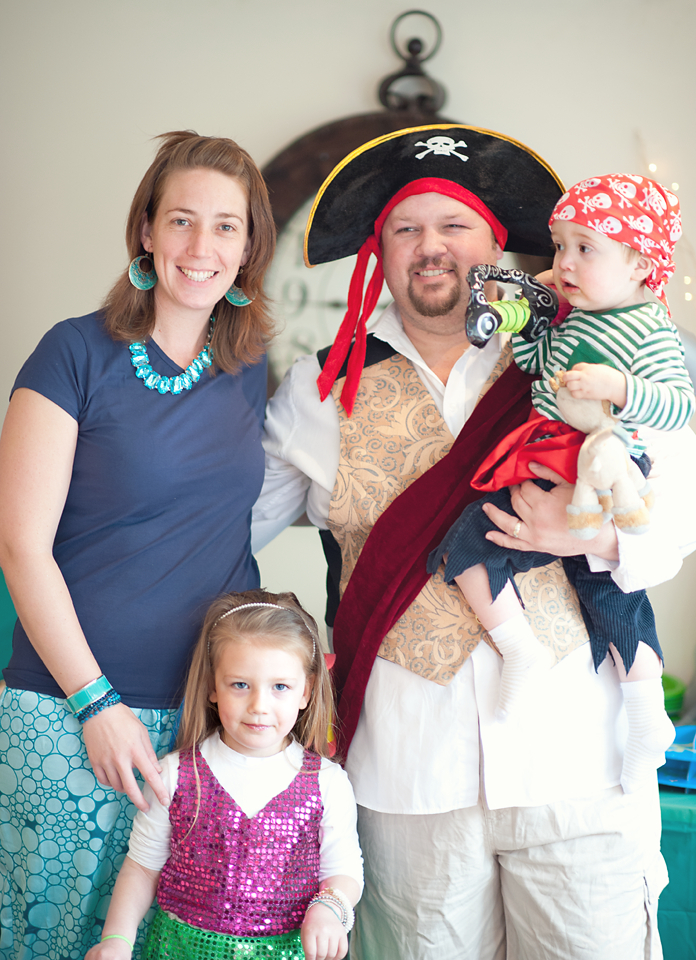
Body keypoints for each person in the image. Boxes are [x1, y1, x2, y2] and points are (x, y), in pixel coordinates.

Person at [253, 125, 696, 960]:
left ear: (497, 245)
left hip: (581, 766)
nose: (432, 247)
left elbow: (678, 518)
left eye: (454, 225)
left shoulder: (586, 349)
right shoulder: (318, 389)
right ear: (378, 251)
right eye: (406, 228)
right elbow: (221, 535)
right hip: (406, 780)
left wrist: (592, 532)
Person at [0, 131, 276, 960]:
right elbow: (20, 546)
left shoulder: (253, 368)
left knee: (170, 943)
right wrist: (96, 704)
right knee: (52, 939)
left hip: (207, 723)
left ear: (248, 248)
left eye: (226, 226)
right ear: (147, 230)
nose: (202, 246)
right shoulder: (73, 352)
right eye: (182, 220)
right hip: (67, 709)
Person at [427, 174, 692, 793]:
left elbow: (679, 404)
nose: (564, 262)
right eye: (559, 246)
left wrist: (619, 387)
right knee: (466, 542)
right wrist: (526, 322)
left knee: (613, 593)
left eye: (585, 248)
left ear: (639, 263)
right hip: (545, 458)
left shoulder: (650, 328)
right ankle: (518, 646)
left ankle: (646, 715)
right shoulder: (576, 322)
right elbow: (535, 366)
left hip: (608, 466)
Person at [83, 589, 363, 960]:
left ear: (306, 692)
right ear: (213, 687)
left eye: (280, 687)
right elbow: (142, 867)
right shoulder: (176, 774)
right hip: (179, 952)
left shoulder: (327, 782)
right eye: (240, 685)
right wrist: (117, 940)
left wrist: (329, 908)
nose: (259, 705)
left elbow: (344, 870)